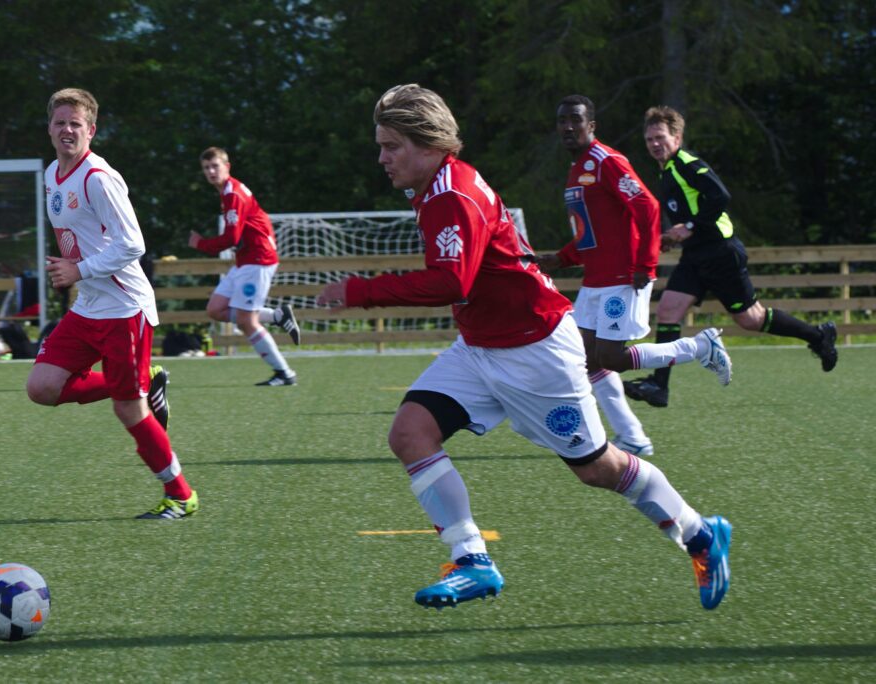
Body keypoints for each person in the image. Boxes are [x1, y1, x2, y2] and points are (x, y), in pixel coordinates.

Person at [317, 84, 731, 611]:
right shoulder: (435, 188)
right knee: (410, 432)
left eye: (391, 146)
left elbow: (452, 283)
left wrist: (358, 292)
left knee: (597, 468)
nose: (382, 158)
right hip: (482, 345)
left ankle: (700, 534)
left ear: (428, 144)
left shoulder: (452, 195)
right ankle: (471, 560)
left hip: (536, 351)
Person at [26, 88, 197, 520]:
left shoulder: (98, 178)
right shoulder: (52, 175)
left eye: (76, 124)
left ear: (91, 130)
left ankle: (180, 495)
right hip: (88, 306)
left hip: (124, 309)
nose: (67, 130)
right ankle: (146, 379)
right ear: (49, 128)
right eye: (60, 122)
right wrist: (72, 268)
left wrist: (78, 271)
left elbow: (133, 245)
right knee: (42, 388)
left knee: (128, 408)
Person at [538, 95, 733, 451]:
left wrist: (645, 264)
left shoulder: (607, 161)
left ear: (591, 126)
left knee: (610, 358)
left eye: (575, 120)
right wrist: (561, 259)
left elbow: (648, 207)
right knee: (585, 360)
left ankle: (700, 346)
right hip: (595, 280)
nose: (568, 127)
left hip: (624, 278)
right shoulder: (575, 169)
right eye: (562, 120)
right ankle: (632, 437)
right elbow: (590, 235)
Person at [625, 106, 839, 408]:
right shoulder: (666, 171)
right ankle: (659, 386)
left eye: (660, 137)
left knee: (751, 319)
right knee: (668, 311)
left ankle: (819, 336)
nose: (654, 144)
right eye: (649, 139)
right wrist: (675, 236)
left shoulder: (687, 163)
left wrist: (689, 226)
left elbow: (720, 196)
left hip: (720, 252)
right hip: (696, 255)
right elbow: (690, 211)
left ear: (677, 137)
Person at [189, 147, 301, 386]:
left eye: (215, 166)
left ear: (227, 167)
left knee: (246, 321)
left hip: (258, 260)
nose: (210, 171)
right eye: (206, 168)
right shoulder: (228, 192)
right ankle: (277, 315)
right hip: (245, 260)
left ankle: (284, 373)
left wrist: (201, 244)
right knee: (215, 309)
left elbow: (231, 237)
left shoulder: (233, 195)